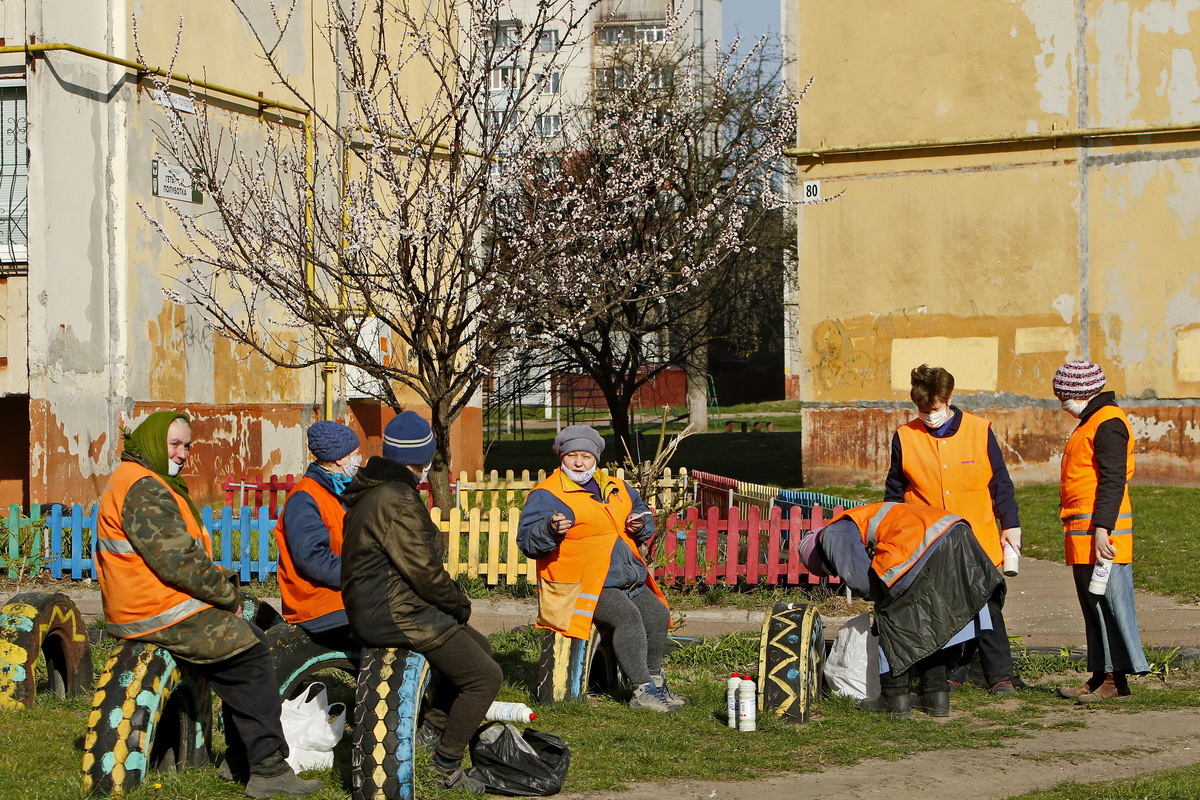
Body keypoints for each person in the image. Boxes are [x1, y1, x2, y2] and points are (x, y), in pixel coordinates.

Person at [96, 412, 321, 799]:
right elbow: (179, 561)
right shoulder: (144, 488)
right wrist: (226, 595)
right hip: (158, 608)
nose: (182, 454)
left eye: (187, 446)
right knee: (251, 656)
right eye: (175, 445)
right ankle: (267, 769)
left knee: (250, 639)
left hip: (154, 603)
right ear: (153, 442)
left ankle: (242, 758)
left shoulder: (142, 481)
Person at [340, 411, 501, 792]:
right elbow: (424, 573)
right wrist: (459, 605)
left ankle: (431, 733)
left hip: (379, 606)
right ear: (423, 459)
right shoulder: (396, 498)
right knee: (484, 677)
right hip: (396, 612)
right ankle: (446, 765)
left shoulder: (376, 490)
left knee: (480, 648)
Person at [516, 425, 683, 713]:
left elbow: (643, 516)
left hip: (626, 577)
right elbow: (528, 542)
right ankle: (642, 690)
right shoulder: (547, 494)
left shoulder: (617, 488)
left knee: (657, 614)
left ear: (596, 459)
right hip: (582, 584)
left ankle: (655, 682)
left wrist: (641, 524)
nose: (579, 462)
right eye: (572, 456)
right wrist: (550, 528)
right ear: (561, 457)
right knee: (627, 618)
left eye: (585, 456)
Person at [884, 364, 1022, 694]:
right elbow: (894, 491)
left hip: (978, 538)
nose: (928, 415)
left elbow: (1000, 483)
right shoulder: (905, 437)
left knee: (986, 606)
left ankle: (1000, 677)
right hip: (930, 539)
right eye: (921, 410)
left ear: (947, 399)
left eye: (933, 408)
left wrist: (1011, 525)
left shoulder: (978, 430)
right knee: (940, 608)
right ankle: (950, 674)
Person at [800, 501, 1004, 718]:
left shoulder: (833, 531)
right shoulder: (865, 516)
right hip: (957, 535)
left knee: (892, 620)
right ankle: (935, 696)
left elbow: (861, 581)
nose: (834, 573)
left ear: (821, 555)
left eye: (829, 570)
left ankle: (894, 699)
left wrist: (881, 606)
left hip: (925, 543)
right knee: (933, 623)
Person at [1052, 360, 1149, 702]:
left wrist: (1103, 528)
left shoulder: (1107, 422)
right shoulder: (1091, 420)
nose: (1062, 403)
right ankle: (1099, 675)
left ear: (1080, 392)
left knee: (1109, 604)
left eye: (1064, 396)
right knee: (1094, 607)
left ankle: (1114, 679)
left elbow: (1112, 479)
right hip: (1085, 534)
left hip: (1103, 535)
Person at [274, 420, 361, 647]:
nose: (359, 460)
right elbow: (312, 560)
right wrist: (362, 573)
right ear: (339, 459)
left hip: (338, 596)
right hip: (318, 605)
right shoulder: (305, 497)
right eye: (355, 454)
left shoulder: (336, 491)